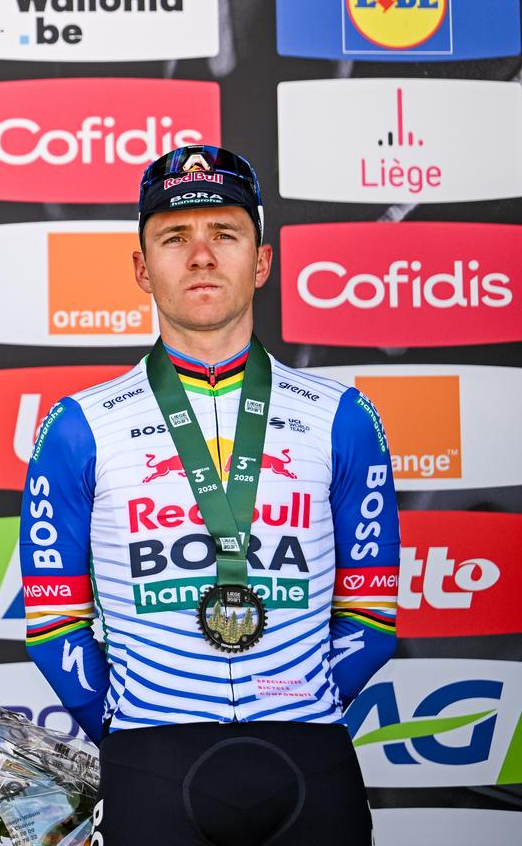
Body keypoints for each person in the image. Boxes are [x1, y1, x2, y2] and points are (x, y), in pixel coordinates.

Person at [22, 145, 400, 845]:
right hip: (152, 763)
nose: (201, 256)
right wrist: (134, 722)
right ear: (142, 268)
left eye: (224, 234)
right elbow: (52, 625)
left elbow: (372, 616)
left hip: (308, 761)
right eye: (174, 237)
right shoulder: (77, 426)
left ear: (261, 261)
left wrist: (301, 701)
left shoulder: (343, 415)